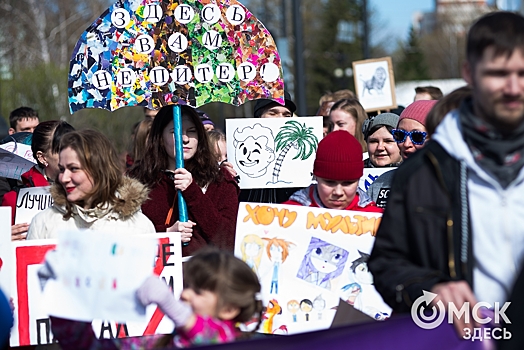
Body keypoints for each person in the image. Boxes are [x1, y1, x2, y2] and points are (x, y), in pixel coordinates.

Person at [368, 11, 524, 339]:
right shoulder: (423, 171)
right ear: (469, 73)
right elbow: (386, 264)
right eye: (498, 73)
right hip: (463, 339)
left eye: (522, 73)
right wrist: (428, 290)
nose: (513, 87)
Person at [49, 249, 263, 348]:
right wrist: (68, 302)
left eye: (197, 292)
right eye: (187, 286)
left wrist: (169, 304)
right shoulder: (160, 341)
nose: (184, 294)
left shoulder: (230, 340)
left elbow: (213, 338)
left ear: (229, 309)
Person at [129, 105, 239, 256]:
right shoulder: (138, 180)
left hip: (205, 275)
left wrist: (193, 192)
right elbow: (126, 237)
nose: (185, 139)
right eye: (175, 132)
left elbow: (228, 240)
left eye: (192, 131)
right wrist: (166, 233)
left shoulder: (220, 180)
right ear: (160, 137)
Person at [26, 129, 155, 239]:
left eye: (74, 169)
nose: (64, 178)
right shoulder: (43, 224)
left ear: (98, 169)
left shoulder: (139, 226)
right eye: (62, 169)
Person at [2, 121, 74, 240]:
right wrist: (3, 240)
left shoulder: (89, 191)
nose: (70, 155)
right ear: (42, 157)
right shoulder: (14, 200)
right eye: (61, 150)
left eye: (75, 148)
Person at [284, 130, 382, 213]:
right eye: (329, 182)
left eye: (347, 183)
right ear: (316, 177)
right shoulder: (284, 216)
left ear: (359, 179)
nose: (338, 192)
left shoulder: (377, 219)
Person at [366, 100, 437, 208]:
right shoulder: (381, 183)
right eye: (400, 135)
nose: (406, 143)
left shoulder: (456, 184)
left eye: (417, 137)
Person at [239, 91, 301, 203]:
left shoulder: (299, 151)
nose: (281, 119)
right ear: (259, 117)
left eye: (286, 115)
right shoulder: (239, 150)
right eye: (273, 113)